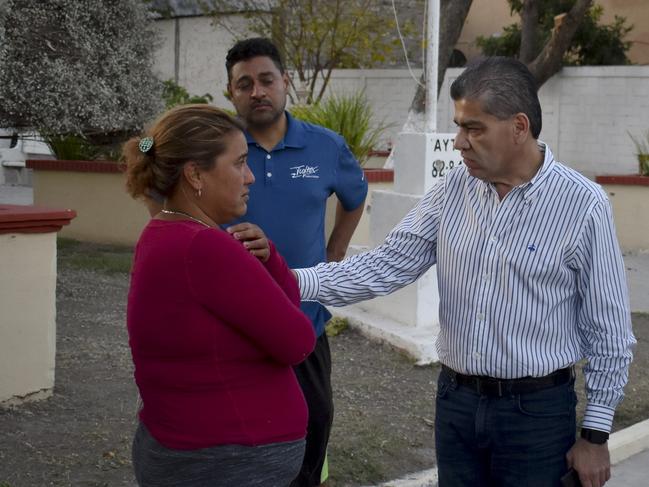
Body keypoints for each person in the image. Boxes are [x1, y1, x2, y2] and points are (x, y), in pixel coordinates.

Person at [294, 57, 636, 487]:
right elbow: (386, 265)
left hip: (536, 414)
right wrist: (292, 281)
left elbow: (609, 332)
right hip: (456, 402)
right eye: (458, 127)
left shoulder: (582, 204)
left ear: (518, 126)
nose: (459, 142)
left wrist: (595, 435)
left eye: (474, 128)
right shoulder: (454, 190)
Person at [123, 104, 316, 486]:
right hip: (228, 457)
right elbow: (299, 341)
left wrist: (270, 257)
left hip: (195, 449)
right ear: (195, 174)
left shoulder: (163, 232)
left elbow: (286, 307)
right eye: (239, 163)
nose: (250, 177)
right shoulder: (204, 247)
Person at [224, 38, 369, 486]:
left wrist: (334, 254)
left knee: (315, 419)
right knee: (239, 435)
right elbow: (150, 153)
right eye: (244, 84)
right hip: (233, 324)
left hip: (302, 317)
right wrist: (155, 133)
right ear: (230, 92)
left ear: (285, 82)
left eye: (267, 80)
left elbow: (355, 197)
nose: (257, 92)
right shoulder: (215, 144)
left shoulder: (326, 146)